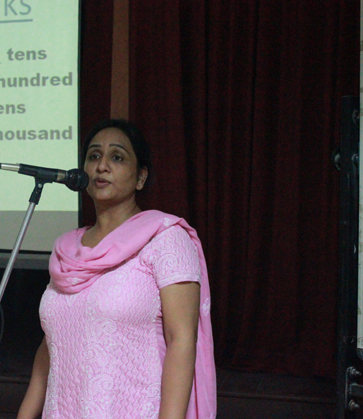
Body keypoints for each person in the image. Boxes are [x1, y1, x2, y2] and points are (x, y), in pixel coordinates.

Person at [17, 119, 217, 419]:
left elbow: (182, 341)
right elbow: (52, 347)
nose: (102, 166)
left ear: (141, 177)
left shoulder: (165, 238)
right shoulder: (67, 250)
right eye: (94, 156)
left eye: (117, 157)